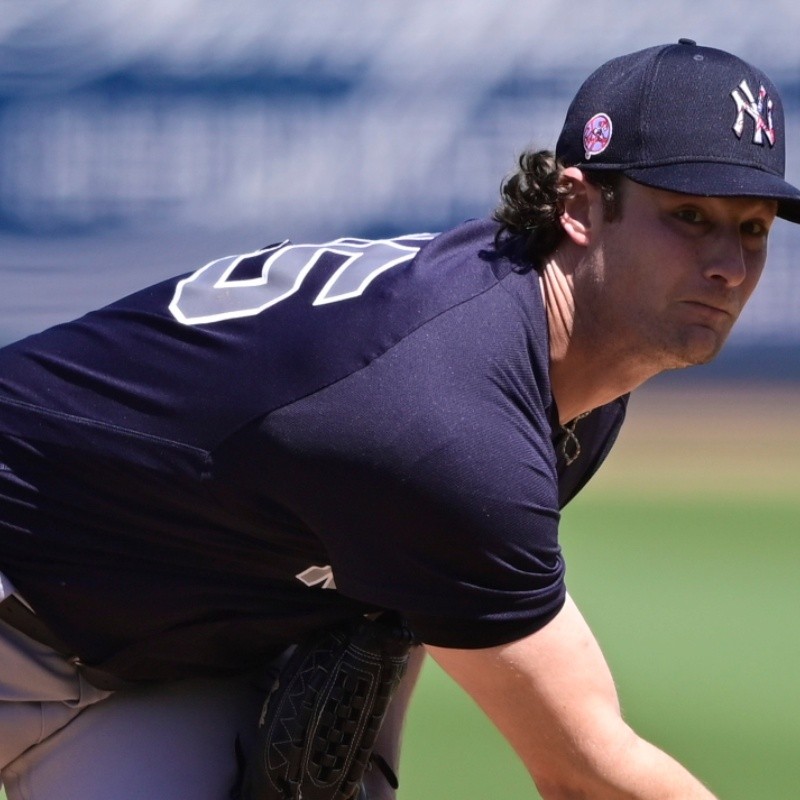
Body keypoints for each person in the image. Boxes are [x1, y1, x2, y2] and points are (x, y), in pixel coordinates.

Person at [1, 38, 798, 800]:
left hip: (143, 670)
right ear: (579, 204)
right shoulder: (451, 411)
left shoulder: (566, 373)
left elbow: (405, 590)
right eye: (688, 217)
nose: (728, 264)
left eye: (752, 227)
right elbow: (584, 772)